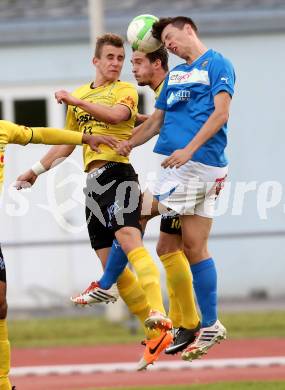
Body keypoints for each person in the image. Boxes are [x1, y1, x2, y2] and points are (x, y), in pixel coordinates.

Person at [16, 33, 173, 371]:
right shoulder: (83, 95)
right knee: (110, 268)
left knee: (130, 240)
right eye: (112, 58)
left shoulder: (124, 91)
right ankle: (153, 326)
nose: (117, 64)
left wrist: (75, 101)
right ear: (96, 61)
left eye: (121, 58)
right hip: (93, 185)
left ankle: (160, 314)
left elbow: (117, 117)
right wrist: (35, 170)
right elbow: (68, 143)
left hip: (119, 175)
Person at [116, 16, 236, 361]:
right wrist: (124, 145)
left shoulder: (217, 63)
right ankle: (210, 324)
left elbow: (221, 114)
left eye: (171, 37)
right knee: (193, 248)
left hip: (198, 166)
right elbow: (155, 121)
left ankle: (109, 286)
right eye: (164, 41)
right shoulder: (177, 75)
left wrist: (189, 150)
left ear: (189, 30)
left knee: (135, 212)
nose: (168, 44)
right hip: (189, 169)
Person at [72, 47, 201, 355]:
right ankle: (180, 323)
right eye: (122, 60)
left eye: (137, 62)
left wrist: (128, 140)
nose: (131, 67)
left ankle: (185, 321)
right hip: (180, 175)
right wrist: (37, 170)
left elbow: (145, 119)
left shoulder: (170, 87)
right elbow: (156, 121)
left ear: (158, 64)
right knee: (169, 247)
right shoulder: (165, 96)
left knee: (151, 235)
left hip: (189, 176)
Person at [0, 119, 113, 390]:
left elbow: (40, 134)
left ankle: (3, 383)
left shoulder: (3, 129)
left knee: (0, 304)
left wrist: (83, 138)